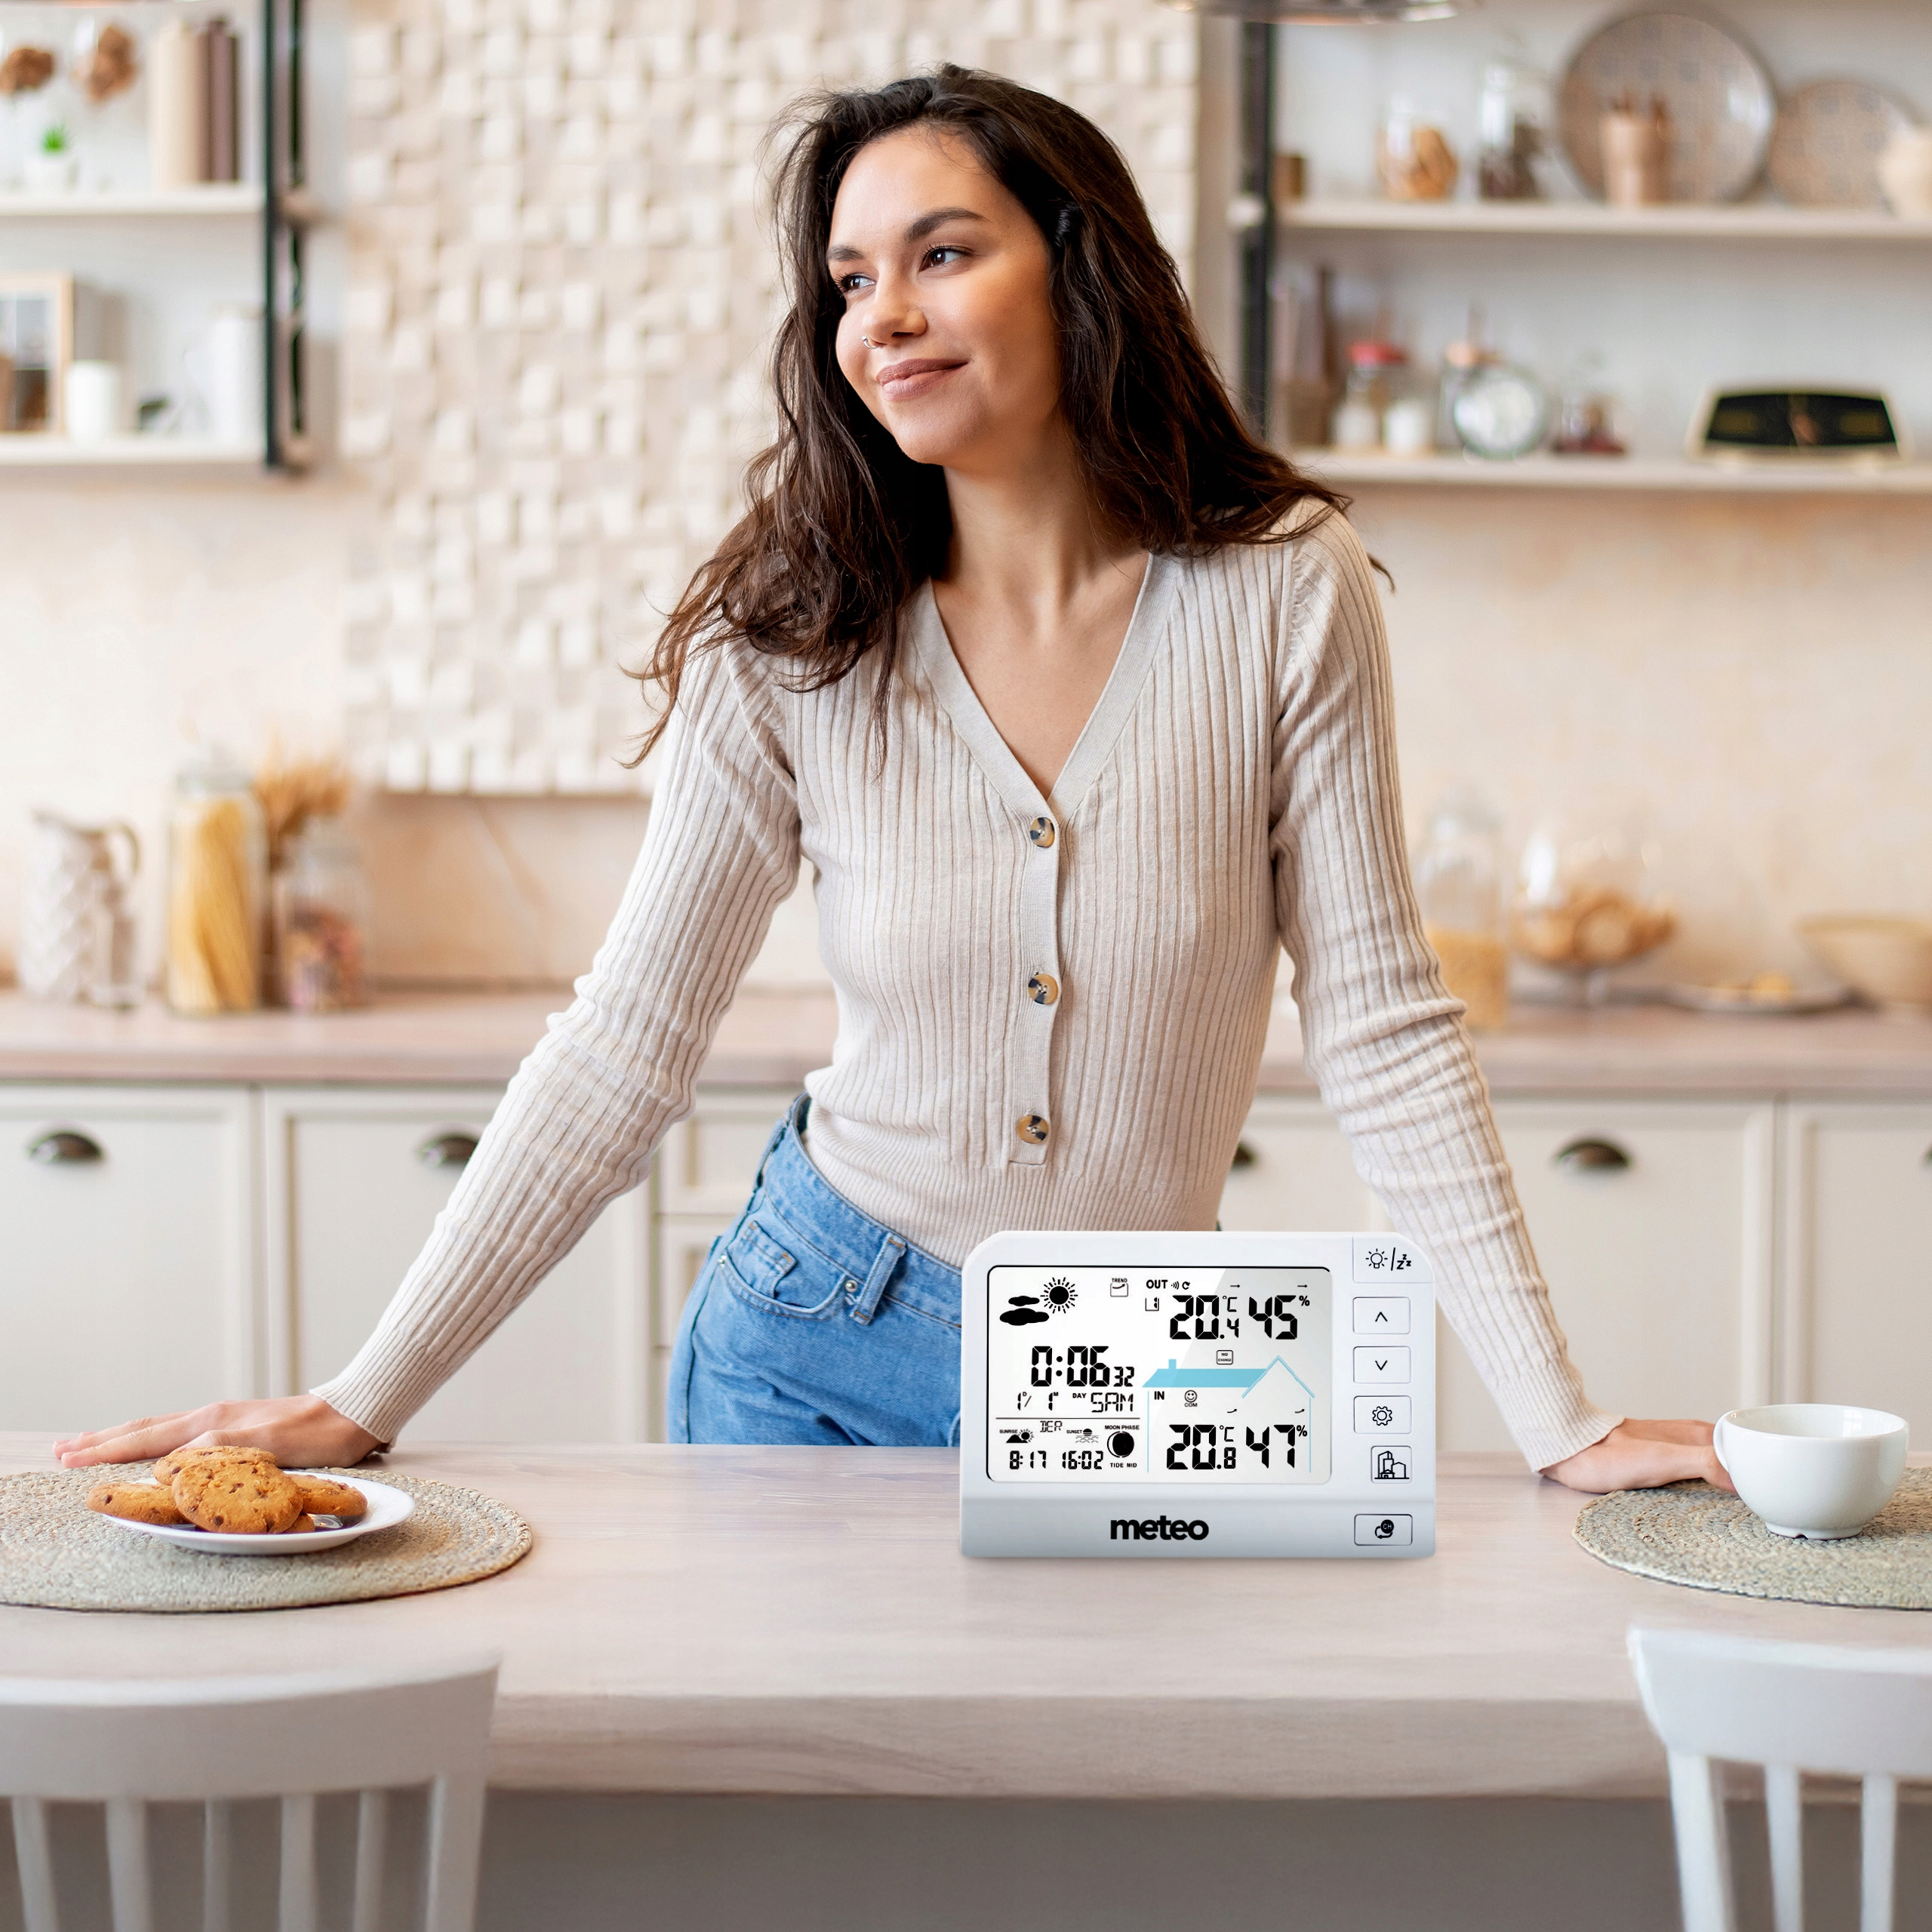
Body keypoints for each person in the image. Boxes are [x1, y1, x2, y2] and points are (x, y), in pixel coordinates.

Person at [57, 67, 1723, 1496]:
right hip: (814, 1348)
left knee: (1135, 1773)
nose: (886, 317)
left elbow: (1378, 1024)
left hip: (1148, 1369)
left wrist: (1556, 1417)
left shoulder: (1285, 589)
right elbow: (627, 1043)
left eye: (942, 253)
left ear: (1079, 266)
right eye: (851, 280)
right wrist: (367, 1393)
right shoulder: (794, 634)